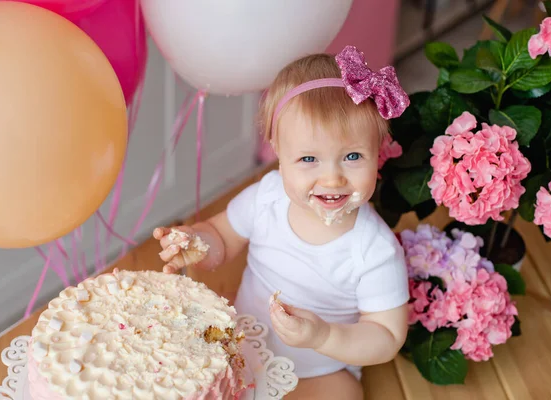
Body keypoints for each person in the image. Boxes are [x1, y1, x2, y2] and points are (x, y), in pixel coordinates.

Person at [153, 45, 411, 399]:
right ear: (278, 150)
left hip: (318, 369)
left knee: (343, 393)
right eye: (309, 158)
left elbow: (386, 337)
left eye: (352, 156)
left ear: (377, 149)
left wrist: (323, 336)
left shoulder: (374, 250)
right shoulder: (268, 197)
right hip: (240, 343)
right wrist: (196, 242)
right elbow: (222, 236)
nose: (332, 178)